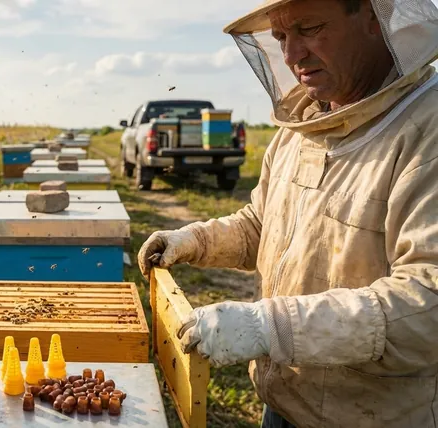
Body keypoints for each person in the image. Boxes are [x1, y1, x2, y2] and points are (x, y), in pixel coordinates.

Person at [137, 0, 438, 426]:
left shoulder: (428, 130)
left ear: (374, 17)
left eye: (310, 28)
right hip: (283, 403)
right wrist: (194, 241)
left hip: (376, 415)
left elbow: (427, 303)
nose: (292, 54)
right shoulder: (303, 130)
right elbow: (262, 224)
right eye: (280, 38)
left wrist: (270, 327)